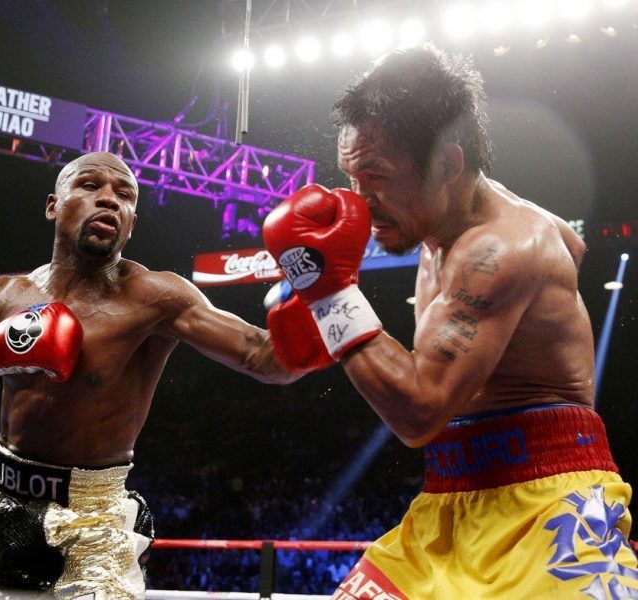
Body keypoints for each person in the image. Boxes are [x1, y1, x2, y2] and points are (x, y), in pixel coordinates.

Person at [262, 43, 638, 598]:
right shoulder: (466, 223)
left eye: (376, 176)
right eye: (350, 175)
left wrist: (329, 294)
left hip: (552, 512)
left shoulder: (502, 248)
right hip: (448, 499)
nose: (360, 201)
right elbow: (572, 241)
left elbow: (419, 413)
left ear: (447, 163)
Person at [0, 151, 298, 600]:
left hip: (92, 522)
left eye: (124, 195)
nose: (109, 200)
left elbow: (266, 359)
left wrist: (322, 292)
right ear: (53, 205)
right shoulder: (4, 296)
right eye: (90, 186)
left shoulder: (158, 297)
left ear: (132, 222)